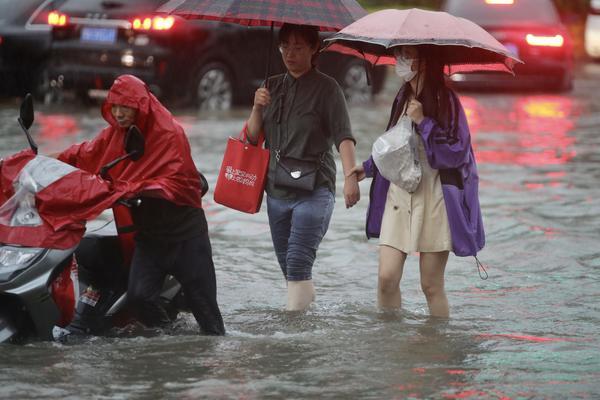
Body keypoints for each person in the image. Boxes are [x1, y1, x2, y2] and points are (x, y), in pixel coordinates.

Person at [57, 74, 225, 335]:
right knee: (138, 298)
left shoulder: (170, 133)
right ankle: (170, 339)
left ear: (141, 107)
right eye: (114, 106)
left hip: (186, 238)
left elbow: (177, 183)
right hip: (150, 238)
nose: (119, 113)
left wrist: (134, 187)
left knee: (209, 318)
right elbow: (87, 154)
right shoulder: (116, 134)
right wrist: (46, 164)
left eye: (126, 107)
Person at [349, 45, 485, 317]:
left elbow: (457, 153)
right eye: (399, 53)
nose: (400, 59)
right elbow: (398, 146)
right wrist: (368, 167)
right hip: (398, 196)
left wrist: (424, 121)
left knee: (431, 285)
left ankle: (438, 347)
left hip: (435, 198)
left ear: (425, 60)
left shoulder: (447, 100)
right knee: (386, 279)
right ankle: (391, 345)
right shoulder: (402, 96)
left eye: (407, 54)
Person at [246, 23, 360, 311]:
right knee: (291, 268)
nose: (290, 53)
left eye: (298, 47)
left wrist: (350, 177)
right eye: (285, 46)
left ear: (314, 49)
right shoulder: (270, 86)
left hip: (314, 189)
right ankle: (308, 322)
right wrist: (257, 107)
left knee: (297, 261)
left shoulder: (328, 88)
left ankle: (292, 331)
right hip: (276, 191)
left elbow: (343, 136)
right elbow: (249, 137)